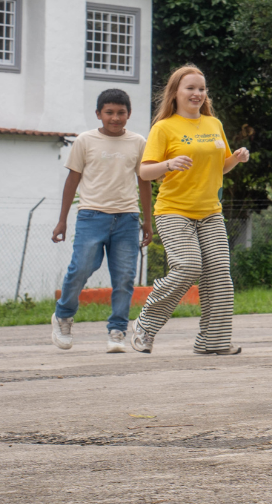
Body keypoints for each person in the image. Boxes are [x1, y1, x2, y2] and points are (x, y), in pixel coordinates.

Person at [130, 65, 250, 355]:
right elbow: (145, 172)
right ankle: (145, 324)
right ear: (176, 92)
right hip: (174, 210)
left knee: (219, 272)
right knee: (187, 266)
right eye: (190, 88)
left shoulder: (213, 124)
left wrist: (235, 158)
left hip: (210, 211)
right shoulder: (164, 127)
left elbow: (219, 166)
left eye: (201, 88)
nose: (197, 93)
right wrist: (168, 164)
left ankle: (213, 341)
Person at [50, 89, 154, 353]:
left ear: (129, 114)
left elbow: (144, 183)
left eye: (121, 113)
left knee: (124, 277)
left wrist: (147, 221)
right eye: (109, 112)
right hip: (91, 216)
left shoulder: (138, 142)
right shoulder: (85, 141)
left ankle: (117, 330)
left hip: (127, 219)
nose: (115, 118)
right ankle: (63, 316)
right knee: (81, 268)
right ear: (99, 114)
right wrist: (62, 220)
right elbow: (72, 181)